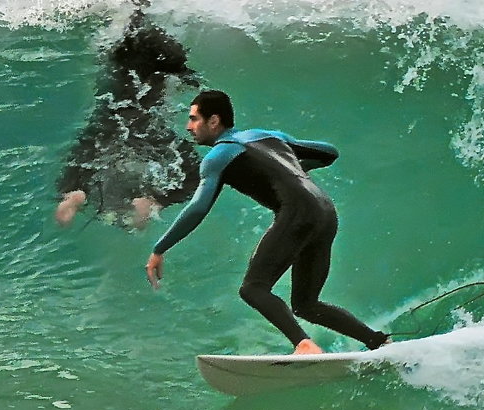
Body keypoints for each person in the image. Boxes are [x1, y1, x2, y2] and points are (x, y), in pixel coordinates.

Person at [145, 90, 389, 355]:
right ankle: (377, 341)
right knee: (306, 304)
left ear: (213, 121)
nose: (188, 127)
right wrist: (290, 169)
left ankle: (304, 345)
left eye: (193, 119)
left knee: (253, 288)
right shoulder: (268, 136)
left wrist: (159, 248)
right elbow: (329, 153)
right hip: (325, 212)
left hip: (297, 213)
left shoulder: (217, 157)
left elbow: (197, 208)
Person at [55, 4, 200, 229]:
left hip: (112, 112)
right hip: (148, 119)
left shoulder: (116, 54)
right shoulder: (165, 59)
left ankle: (74, 192)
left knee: (92, 143)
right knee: (186, 163)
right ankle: (154, 201)